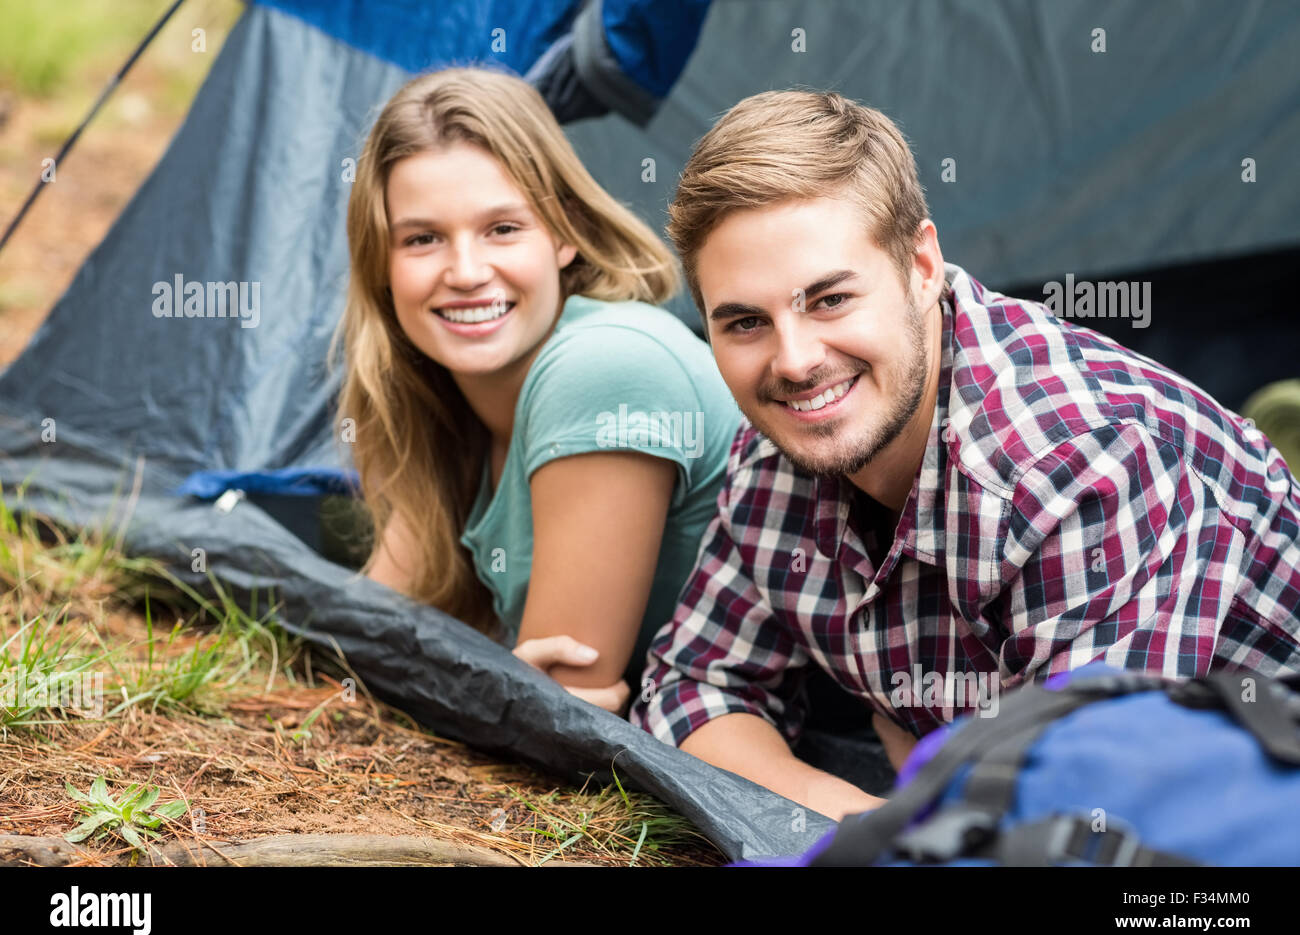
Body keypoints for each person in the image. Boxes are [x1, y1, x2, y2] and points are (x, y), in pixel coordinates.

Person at [628, 88, 1300, 821]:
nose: (793, 362)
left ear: (921, 266)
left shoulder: (1076, 462)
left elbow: (1077, 813)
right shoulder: (777, 456)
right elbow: (691, 687)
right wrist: (847, 816)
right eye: (746, 322)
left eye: (829, 300)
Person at [330, 67, 740, 712]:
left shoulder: (606, 367)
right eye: (423, 238)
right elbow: (364, 646)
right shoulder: (446, 405)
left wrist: (484, 687)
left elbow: (567, 709)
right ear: (380, 262)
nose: (465, 272)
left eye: (502, 228)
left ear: (564, 232)